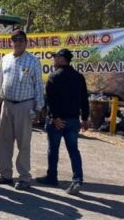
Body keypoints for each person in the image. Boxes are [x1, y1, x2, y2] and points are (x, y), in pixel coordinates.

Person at [0, 29, 44, 190]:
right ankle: (5, 174)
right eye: (15, 40)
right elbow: (0, 83)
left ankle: (24, 177)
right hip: (7, 105)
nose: (18, 42)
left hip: (25, 105)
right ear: (11, 42)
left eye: (21, 40)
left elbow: (38, 85)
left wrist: (39, 107)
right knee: (3, 141)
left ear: (26, 42)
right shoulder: (5, 59)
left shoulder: (33, 60)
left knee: (23, 143)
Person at [35, 49, 90, 194]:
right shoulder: (79, 77)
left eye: (55, 57)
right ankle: (77, 180)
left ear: (61, 58)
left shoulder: (54, 76)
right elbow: (84, 99)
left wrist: (55, 117)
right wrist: (85, 118)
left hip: (58, 120)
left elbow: (51, 100)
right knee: (73, 150)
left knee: (53, 149)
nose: (53, 60)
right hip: (73, 120)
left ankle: (52, 177)